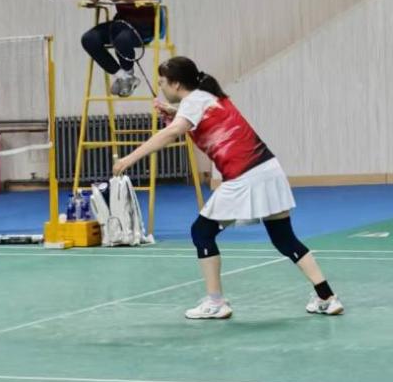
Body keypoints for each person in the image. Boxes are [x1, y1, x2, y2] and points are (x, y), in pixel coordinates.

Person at [111, 57, 343, 320]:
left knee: (202, 232)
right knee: (284, 238)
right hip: (269, 170)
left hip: (245, 177)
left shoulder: (194, 101)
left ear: (176, 84)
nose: (161, 87)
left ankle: (215, 302)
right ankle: (327, 296)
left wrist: (129, 159)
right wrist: (174, 112)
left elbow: (171, 133)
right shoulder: (207, 96)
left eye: (162, 82)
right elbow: (198, 120)